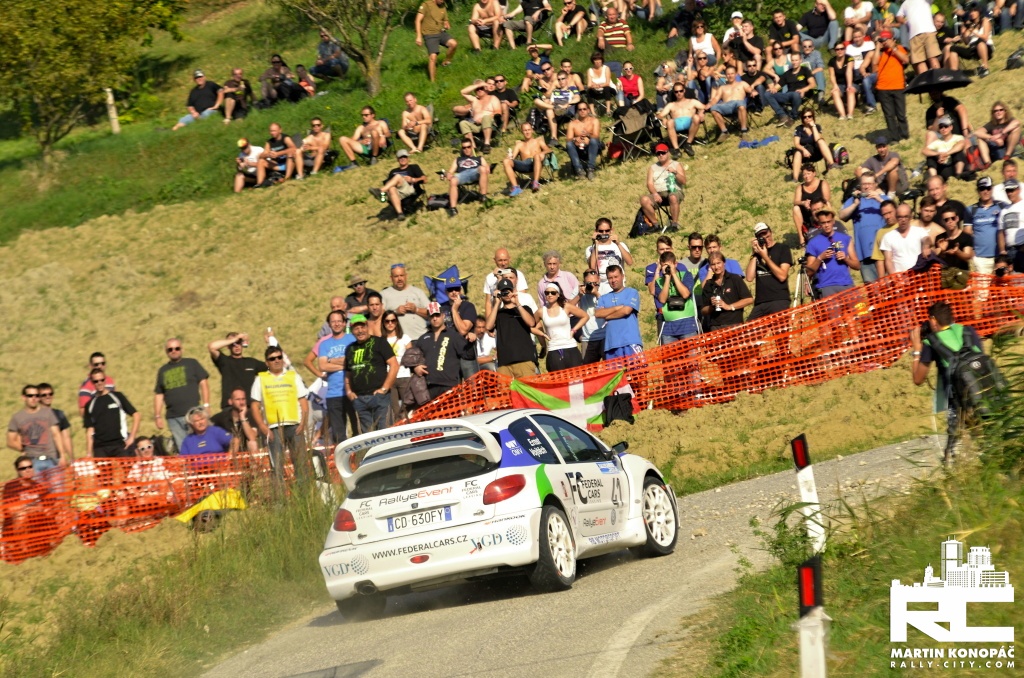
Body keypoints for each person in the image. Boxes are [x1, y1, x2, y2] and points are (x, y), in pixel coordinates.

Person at [909, 301, 984, 463]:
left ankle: (952, 460)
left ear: (933, 320)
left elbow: (918, 379)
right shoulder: (968, 331)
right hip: (983, 390)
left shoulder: (931, 342)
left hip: (957, 399)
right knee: (983, 435)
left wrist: (917, 350)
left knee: (955, 439)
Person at [251, 346, 310, 479]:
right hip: (273, 428)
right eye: (272, 359)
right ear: (267, 362)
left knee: (301, 464)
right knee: (277, 466)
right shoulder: (260, 379)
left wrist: (303, 423)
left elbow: (303, 401)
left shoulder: (293, 376)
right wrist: (262, 427)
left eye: (279, 357)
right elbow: (254, 405)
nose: (277, 360)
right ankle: (279, 492)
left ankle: (304, 490)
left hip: (295, 426)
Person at [343, 314, 398, 433]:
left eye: (362, 327)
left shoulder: (379, 342)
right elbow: (347, 373)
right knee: (367, 437)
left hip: (379, 398)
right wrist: (349, 391)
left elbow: (394, 365)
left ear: (367, 327)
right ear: (352, 331)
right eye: (356, 328)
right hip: (359, 400)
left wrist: (384, 389)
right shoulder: (350, 349)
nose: (360, 331)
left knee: (386, 433)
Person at [154, 338, 210, 451]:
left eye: (177, 348)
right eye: (170, 349)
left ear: (182, 349)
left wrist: (206, 405)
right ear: (166, 352)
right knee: (183, 449)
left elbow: (203, 384)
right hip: (173, 418)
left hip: (194, 414)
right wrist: (157, 415)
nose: (174, 351)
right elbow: (159, 394)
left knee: (201, 445)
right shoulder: (162, 370)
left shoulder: (192, 363)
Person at [2, 457, 57, 564]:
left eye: (30, 467)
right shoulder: (11, 486)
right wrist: (33, 508)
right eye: (23, 468)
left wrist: (37, 509)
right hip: (16, 522)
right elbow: (11, 509)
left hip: (37, 519)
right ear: (17, 471)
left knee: (55, 513)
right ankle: (21, 550)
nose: (27, 470)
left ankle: (48, 547)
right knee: (21, 516)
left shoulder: (38, 486)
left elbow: (49, 505)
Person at [840, 172, 890, 283]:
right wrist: (855, 204)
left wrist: (879, 199)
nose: (867, 187)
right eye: (864, 184)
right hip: (864, 252)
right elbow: (842, 216)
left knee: (888, 285)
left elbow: (894, 213)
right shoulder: (854, 199)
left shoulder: (883, 199)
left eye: (870, 184)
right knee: (871, 287)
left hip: (884, 251)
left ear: (875, 184)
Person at [7, 385, 67, 472]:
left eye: (37, 395)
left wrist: (62, 456)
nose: (34, 398)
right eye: (30, 396)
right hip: (32, 462)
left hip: (52, 459)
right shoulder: (17, 417)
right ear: (24, 397)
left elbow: (56, 434)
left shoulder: (48, 412)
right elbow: (10, 441)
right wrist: (23, 449)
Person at [486, 277, 538, 377]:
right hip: (504, 363)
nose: (506, 294)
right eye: (503, 292)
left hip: (524, 360)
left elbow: (531, 323)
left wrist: (517, 303)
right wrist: (497, 303)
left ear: (513, 291)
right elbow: (488, 326)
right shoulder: (498, 314)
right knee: (505, 388)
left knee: (526, 387)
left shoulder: (524, 309)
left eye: (508, 291)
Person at [317, 310, 355, 446]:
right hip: (333, 394)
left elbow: (354, 361)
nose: (337, 324)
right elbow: (322, 366)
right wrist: (345, 364)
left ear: (344, 323)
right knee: (339, 435)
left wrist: (331, 360)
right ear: (329, 324)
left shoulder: (352, 339)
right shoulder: (324, 344)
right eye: (333, 321)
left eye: (339, 321)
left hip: (352, 391)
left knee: (358, 429)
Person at [83, 369, 140, 458]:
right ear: (92, 382)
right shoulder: (90, 405)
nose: (99, 383)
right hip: (100, 448)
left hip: (120, 444)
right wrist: (89, 453)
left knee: (125, 467)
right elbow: (90, 430)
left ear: (105, 380)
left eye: (102, 380)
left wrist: (132, 437)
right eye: (96, 381)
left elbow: (136, 415)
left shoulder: (117, 397)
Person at [414, 303, 469, 396]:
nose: (435, 318)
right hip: (429, 386)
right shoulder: (422, 339)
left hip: (450, 385)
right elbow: (413, 358)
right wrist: (415, 367)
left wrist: (471, 342)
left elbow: (468, 355)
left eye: (437, 315)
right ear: (428, 318)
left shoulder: (454, 335)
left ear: (443, 315)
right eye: (432, 316)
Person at [805, 205, 860, 296]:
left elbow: (857, 266)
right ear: (819, 223)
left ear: (833, 221)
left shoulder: (846, 239)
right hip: (826, 286)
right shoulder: (813, 243)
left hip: (846, 284)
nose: (826, 225)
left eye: (828, 222)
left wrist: (846, 259)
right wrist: (820, 258)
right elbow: (809, 271)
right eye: (823, 223)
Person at [532, 282, 588, 371]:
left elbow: (585, 316)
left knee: (576, 378)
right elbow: (530, 325)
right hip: (553, 349)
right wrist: (542, 334)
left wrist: (574, 330)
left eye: (553, 293)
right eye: (547, 293)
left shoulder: (566, 307)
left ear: (558, 294)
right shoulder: (541, 311)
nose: (550, 295)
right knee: (557, 379)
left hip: (570, 347)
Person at [745, 222, 793, 320]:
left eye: (766, 234)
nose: (765, 238)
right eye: (761, 236)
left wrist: (765, 257)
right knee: (749, 329)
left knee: (780, 330)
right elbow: (749, 277)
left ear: (770, 232)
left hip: (778, 299)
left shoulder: (782, 248)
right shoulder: (757, 254)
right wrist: (754, 254)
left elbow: (782, 276)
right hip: (760, 302)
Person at [206, 332, 266, 409]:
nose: (236, 346)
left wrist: (271, 341)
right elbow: (211, 347)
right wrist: (235, 339)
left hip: (249, 407)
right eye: (233, 344)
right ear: (228, 346)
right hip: (230, 407)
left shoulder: (251, 362)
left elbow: (274, 365)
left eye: (239, 343)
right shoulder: (224, 361)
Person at [871, 30, 910, 143]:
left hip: (898, 86)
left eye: (886, 39)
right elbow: (874, 64)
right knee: (889, 115)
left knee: (901, 113)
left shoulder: (899, 48)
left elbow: (906, 59)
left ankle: (904, 135)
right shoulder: (880, 52)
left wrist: (893, 48)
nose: (884, 42)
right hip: (883, 88)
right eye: (882, 40)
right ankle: (894, 137)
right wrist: (877, 48)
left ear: (892, 39)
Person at [368, 150, 427, 221]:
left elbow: (425, 180)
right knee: (391, 188)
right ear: (397, 159)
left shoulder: (413, 167)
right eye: (400, 157)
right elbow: (388, 184)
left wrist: (413, 179)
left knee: (398, 176)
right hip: (396, 193)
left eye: (404, 157)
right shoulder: (393, 171)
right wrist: (383, 198)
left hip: (409, 190)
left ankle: (381, 191)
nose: (403, 159)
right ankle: (400, 214)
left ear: (408, 158)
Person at [639, 144, 686, 232]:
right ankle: (655, 225)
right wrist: (654, 194)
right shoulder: (652, 168)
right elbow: (649, 184)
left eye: (663, 153)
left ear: (668, 153)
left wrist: (675, 172)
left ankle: (674, 225)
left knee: (673, 196)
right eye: (658, 153)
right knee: (644, 199)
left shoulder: (676, 164)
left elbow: (683, 181)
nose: (661, 155)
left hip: (674, 191)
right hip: (659, 193)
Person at [699, 253, 752, 329]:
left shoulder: (735, 279)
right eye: (713, 264)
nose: (716, 267)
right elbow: (703, 310)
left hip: (734, 325)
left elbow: (749, 299)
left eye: (718, 263)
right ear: (710, 266)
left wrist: (729, 306)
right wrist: (712, 306)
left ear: (724, 263)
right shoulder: (709, 284)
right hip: (715, 326)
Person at [655, 252, 699, 342]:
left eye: (669, 266)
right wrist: (667, 278)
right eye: (664, 266)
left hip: (687, 325)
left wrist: (674, 274)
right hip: (668, 327)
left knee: (692, 352)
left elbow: (685, 294)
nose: (667, 268)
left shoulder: (686, 275)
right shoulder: (659, 281)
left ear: (675, 264)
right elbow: (662, 300)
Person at [965, 177, 1005, 275]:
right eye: (982, 188)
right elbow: (967, 233)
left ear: (992, 188)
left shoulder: (1002, 206)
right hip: (980, 258)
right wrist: (971, 250)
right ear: (978, 191)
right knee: (982, 285)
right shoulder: (971, 209)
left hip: (999, 257)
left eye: (988, 188)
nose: (986, 191)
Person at [764, 50, 815, 126]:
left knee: (796, 94)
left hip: (802, 94)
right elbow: (777, 86)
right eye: (793, 60)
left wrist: (803, 90)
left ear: (800, 60)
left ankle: (792, 116)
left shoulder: (805, 70)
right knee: (767, 94)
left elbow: (813, 84)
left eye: (796, 60)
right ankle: (782, 115)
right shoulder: (787, 73)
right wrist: (773, 89)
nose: (794, 62)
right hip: (789, 95)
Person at [381, 263, 431, 338]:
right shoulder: (384, 294)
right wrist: (395, 312)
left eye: (401, 275)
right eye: (396, 276)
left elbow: (432, 313)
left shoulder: (417, 292)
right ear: (391, 278)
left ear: (406, 276)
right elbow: (379, 317)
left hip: (421, 337)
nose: (399, 279)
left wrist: (416, 309)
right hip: (399, 339)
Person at [586, 217, 634, 295]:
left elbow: (630, 262)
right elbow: (592, 267)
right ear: (596, 231)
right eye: (601, 231)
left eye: (607, 230)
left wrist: (618, 243)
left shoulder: (620, 245)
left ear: (611, 230)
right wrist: (595, 244)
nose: (604, 233)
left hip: (616, 284)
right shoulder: (590, 249)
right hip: (600, 285)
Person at [533, 71, 581, 147]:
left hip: (566, 109)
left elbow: (577, 98)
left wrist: (566, 105)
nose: (561, 81)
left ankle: (554, 138)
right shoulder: (555, 91)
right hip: (554, 108)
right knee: (537, 101)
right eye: (559, 79)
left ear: (567, 79)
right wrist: (548, 102)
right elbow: (550, 100)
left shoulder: (572, 88)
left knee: (549, 110)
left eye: (563, 79)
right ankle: (554, 110)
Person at [502, 121, 550, 196]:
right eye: (525, 130)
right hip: (524, 165)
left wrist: (541, 153)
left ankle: (535, 183)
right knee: (506, 161)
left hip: (536, 162)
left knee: (536, 156)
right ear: (522, 132)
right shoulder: (519, 145)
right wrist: (508, 157)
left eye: (528, 130)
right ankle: (516, 187)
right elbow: (512, 157)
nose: (527, 132)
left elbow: (548, 150)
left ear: (532, 130)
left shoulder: (538, 141)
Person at [336, 107, 391, 171]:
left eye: (366, 115)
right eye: (362, 115)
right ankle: (354, 163)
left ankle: (374, 158)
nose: (364, 117)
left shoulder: (380, 123)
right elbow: (352, 140)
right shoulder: (361, 127)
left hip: (379, 146)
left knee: (374, 132)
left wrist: (383, 136)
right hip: (367, 148)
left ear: (373, 115)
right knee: (342, 139)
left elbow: (388, 134)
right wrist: (360, 141)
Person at [446, 139, 490, 217]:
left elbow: (487, 168)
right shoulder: (458, 159)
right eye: (464, 148)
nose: (466, 149)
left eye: (468, 147)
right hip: (462, 174)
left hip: (475, 172)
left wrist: (487, 168)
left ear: (472, 147)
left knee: (482, 169)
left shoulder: (479, 158)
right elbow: (450, 171)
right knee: (453, 180)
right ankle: (453, 208)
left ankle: (483, 196)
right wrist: (448, 174)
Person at [416, 0, 458, 82]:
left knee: (454, 44)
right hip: (429, 35)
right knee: (433, 57)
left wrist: (446, 24)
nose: (442, 1)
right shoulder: (426, 5)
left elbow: (445, 20)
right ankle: (433, 81)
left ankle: (446, 62)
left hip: (440, 32)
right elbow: (417, 20)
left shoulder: (443, 6)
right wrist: (418, 36)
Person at [790, 108, 836, 182]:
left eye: (809, 116)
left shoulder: (817, 127)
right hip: (805, 152)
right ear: (802, 118)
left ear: (813, 117)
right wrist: (804, 150)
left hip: (817, 151)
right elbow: (796, 144)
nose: (807, 118)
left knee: (821, 141)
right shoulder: (799, 129)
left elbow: (817, 139)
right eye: (805, 117)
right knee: (797, 152)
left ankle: (832, 164)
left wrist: (813, 126)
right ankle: (795, 178)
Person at [881, 207, 932, 274]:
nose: (903, 220)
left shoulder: (919, 231)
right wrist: (894, 277)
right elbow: (888, 260)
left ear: (910, 217)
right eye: (900, 217)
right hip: (899, 276)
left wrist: (926, 246)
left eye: (906, 217)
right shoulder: (888, 236)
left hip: (918, 274)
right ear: (896, 217)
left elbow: (926, 239)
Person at [895, 0, 941, 74]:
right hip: (913, 36)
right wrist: (904, 21)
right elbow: (898, 16)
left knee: (932, 57)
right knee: (919, 61)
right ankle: (926, 80)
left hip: (928, 32)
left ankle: (938, 77)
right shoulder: (905, 3)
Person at [658, 87, 705, 158]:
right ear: (674, 93)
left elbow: (704, 107)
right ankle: (676, 149)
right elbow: (659, 115)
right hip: (677, 125)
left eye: (681, 91)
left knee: (696, 117)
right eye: (676, 91)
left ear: (684, 91)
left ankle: (688, 144)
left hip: (690, 123)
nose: (679, 93)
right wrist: (663, 119)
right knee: (670, 122)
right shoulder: (671, 105)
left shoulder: (692, 101)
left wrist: (701, 112)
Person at [457, 80, 502, 153]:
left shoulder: (492, 98)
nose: (479, 90)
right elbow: (463, 92)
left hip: (490, 123)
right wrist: (478, 85)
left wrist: (484, 118)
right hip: (476, 125)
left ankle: (487, 144)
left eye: (481, 88)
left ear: (485, 88)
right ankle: (473, 147)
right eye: (477, 89)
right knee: (463, 123)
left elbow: (498, 112)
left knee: (486, 118)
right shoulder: (474, 100)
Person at [793, 163, 832, 245]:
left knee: (828, 204)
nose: (806, 176)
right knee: (796, 208)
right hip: (807, 214)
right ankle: (801, 238)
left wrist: (814, 205)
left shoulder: (822, 183)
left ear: (814, 173)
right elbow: (795, 201)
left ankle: (830, 226)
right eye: (804, 174)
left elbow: (826, 199)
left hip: (820, 210)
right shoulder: (800, 187)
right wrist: (803, 202)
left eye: (808, 173)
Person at [708, 66, 751, 138]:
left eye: (732, 73)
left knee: (741, 104)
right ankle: (724, 132)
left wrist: (753, 92)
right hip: (726, 106)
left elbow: (750, 90)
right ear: (726, 75)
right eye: (728, 74)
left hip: (738, 104)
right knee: (713, 108)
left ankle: (744, 131)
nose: (730, 76)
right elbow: (716, 98)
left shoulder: (742, 83)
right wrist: (709, 105)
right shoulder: (722, 87)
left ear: (736, 74)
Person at [210, 388, 258, 453]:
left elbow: (252, 437)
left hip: (247, 453)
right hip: (229, 452)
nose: (241, 402)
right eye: (238, 399)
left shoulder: (250, 415)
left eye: (243, 399)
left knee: (252, 443)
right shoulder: (223, 417)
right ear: (230, 401)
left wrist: (243, 418)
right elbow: (207, 425)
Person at [976, 103, 1021, 168]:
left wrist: (1001, 133)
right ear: (993, 113)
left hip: (1008, 147)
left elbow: (1017, 122)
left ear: (1005, 111)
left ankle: (1007, 155)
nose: (998, 112)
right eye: (995, 111)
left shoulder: (1009, 121)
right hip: (996, 148)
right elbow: (977, 132)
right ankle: (987, 163)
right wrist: (992, 138)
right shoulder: (992, 124)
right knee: (980, 139)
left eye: (1001, 110)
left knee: (1016, 129)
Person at [923, 115, 967, 181]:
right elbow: (924, 151)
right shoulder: (937, 142)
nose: (943, 129)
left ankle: (958, 176)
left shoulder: (958, 137)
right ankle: (934, 179)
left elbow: (961, 145)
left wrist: (947, 154)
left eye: (946, 126)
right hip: (944, 168)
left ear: (951, 127)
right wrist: (938, 154)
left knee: (958, 152)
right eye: (941, 127)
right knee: (930, 157)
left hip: (955, 165)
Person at [954, 6, 993, 78]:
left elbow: (985, 38)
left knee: (980, 42)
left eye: (974, 11)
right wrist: (963, 33)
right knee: (952, 48)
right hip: (972, 49)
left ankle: (985, 68)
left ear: (979, 12)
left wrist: (975, 32)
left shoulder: (985, 21)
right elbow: (966, 42)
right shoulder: (970, 25)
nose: (972, 13)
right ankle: (954, 73)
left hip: (985, 46)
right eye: (971, 11)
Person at [565, 103, 601, 180]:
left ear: (588, 110)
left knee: (594, 141)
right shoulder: (572, 124)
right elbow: (568, 138)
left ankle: (590, 169)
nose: (582, 111)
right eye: (580, 109)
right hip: (578, 147)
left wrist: (588, 136)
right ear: (577, 111)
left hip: (592, 146)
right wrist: (575, 139)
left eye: (584, 109)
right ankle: (579, 170)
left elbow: (596, 135)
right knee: (569, 144)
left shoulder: (594, 121)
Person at [36, 384, 72, 462]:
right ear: (38, 398)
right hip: (39, 458)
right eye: (44, 395)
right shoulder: (34, 416)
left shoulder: (59, 414)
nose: (48, 396)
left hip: (57, 457)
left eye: (50, 394)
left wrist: (71, 458)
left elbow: (66, 437)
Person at [934, 207, 975, 271]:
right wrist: (942, 251)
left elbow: (968, 257)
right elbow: (938, 258)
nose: (950, 221)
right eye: (946, 220)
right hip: (945, 273)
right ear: (942, 221)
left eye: (953, 218)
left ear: (957, 218)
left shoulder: (966, 237)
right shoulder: (940, 238)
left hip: (961, 273)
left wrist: (957, 252)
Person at [997, 179, 1024, 271]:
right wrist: (1002, 250)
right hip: (1009, 251)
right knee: (1013, 277)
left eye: (1012, 190)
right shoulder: (1004, 211)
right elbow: (1001, 232)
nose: (1010, 193)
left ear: (1018, 190)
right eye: (1007, 191)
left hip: (1022, 248)